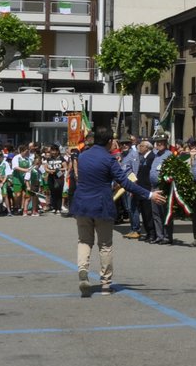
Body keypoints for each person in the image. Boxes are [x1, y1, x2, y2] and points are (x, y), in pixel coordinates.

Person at [67, 124, 162, 295]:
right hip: (102, 205)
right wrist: (149, 195)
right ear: (110, 141)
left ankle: (83, 270)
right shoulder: (109, 159)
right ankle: (105, 283)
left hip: (82, 204)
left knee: (84, 241)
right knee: (105, 245)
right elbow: (126, 183)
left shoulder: (83, 157)